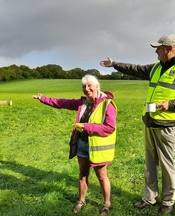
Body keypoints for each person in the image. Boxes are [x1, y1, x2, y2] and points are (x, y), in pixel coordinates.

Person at [100, 34, 175, 214]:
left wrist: (170, 104)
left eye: (158, 48)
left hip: (167, 126)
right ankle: (149, 198)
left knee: (167, 165)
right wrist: (114, 64)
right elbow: (135, 69)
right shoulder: (156, 67)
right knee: (150, 164)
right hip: (149, 122)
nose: (156, 51)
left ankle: (168, 202)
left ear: (169, 49)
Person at [32, 74, 117, 216]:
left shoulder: (107, 104)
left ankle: (106, 203)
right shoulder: (82, 103)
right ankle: (81, 200)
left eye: (90, 85)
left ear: (97, 86)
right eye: (84, 86)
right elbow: (62, 103)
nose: (87, 88)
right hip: (82, 144)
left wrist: (88, 127)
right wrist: (43, 99)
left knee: (102, 176)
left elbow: (110, 127)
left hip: (97, 147)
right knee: (83, 174)